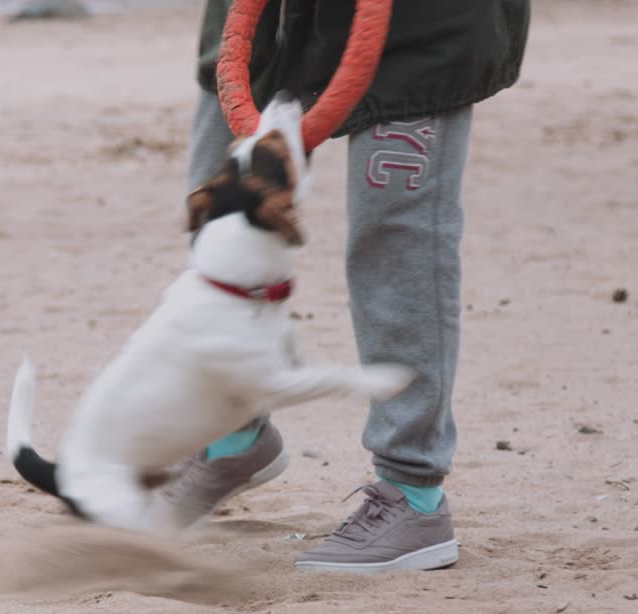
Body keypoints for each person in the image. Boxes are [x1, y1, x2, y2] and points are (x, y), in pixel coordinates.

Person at [156, 0, 531, 572]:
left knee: (395, 235)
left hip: (421, 24)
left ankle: (413, 491)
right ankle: (233, 436)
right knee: (220, 211)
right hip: (263, 21)